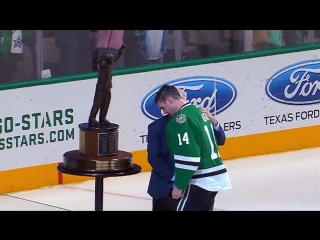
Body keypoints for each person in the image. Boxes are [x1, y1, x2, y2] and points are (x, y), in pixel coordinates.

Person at [154, 84, 232, 211]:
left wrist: (179, 185)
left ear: (169, 100)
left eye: (163, 107)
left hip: (201, 179)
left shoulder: (181, 120)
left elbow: (190, 157)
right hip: (214, 176)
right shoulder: (198, 112)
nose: (164, 112)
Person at [88, 44, 126, 126]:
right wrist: (104, 56)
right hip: (101, 88)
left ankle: (102, 117)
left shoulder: (110, 64)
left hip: (108, 87)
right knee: (97, 104)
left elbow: (116, 58)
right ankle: (92, 118)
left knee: (106, 103)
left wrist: (121, 51)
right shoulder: (103, 65)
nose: (112, 59)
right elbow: (101, 62)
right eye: (110, 58)